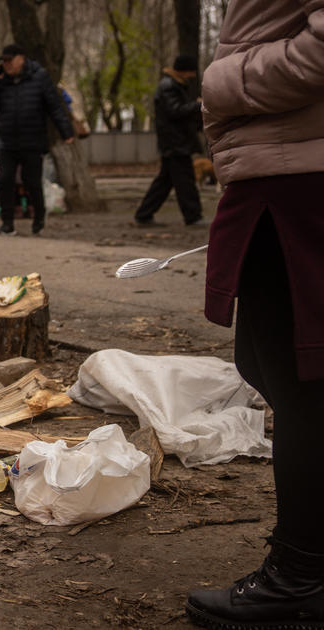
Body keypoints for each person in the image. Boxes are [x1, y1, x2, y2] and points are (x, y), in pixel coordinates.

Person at [186, 3, 324, 628]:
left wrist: (223, 80)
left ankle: (301, 574)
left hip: (302, 180)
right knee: (268, 365)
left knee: (305, 384)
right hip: (279, 172)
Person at [0, 44, 74, 236]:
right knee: (5, 181)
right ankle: (7, 224)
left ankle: (38, 218)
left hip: (32, 140)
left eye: (10, 61)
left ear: (21, 58)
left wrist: (66, 132)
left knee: (31, 182)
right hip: (6, 140)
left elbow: (54, 106)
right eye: (4, 61)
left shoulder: (39, 77)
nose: (6, 65)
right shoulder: (0, 80)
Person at [133, 55, 205, 227]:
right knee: (185, 180)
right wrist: (198, 105)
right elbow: (175, 111)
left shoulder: (172, 85)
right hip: (175, 142)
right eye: (192, 71)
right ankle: (193, 216)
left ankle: (144, 214)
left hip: (174, 142)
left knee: (165, 182)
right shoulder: (169, 87)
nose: (193, 76)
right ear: (184, 70)